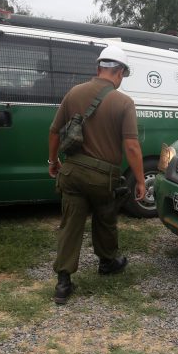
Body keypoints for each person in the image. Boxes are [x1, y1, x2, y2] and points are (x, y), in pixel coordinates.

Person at [47, 45, 146, 303]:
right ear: (120, 72)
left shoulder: (74, 92)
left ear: (98, 68)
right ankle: (107, 261)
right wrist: (141, 180)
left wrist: (52, 160)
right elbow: (132, 146)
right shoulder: (124, 102)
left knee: (70, 224)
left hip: (73, 172)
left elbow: (55, 131)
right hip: (104, 178)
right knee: (105, 218)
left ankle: (63, 282)